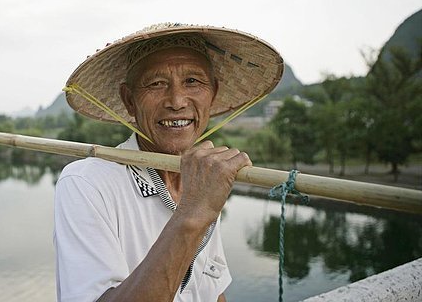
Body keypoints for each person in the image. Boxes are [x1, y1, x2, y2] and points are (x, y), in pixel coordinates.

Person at [55, 23, 284, 302]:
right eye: (156, 83)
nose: (176, 101)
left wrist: (200, 204)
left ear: (212, 93)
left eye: (192, 82)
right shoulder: (86, 183)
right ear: (129, 100)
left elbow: (213, 291)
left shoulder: (201, 177)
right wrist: (193, 213)